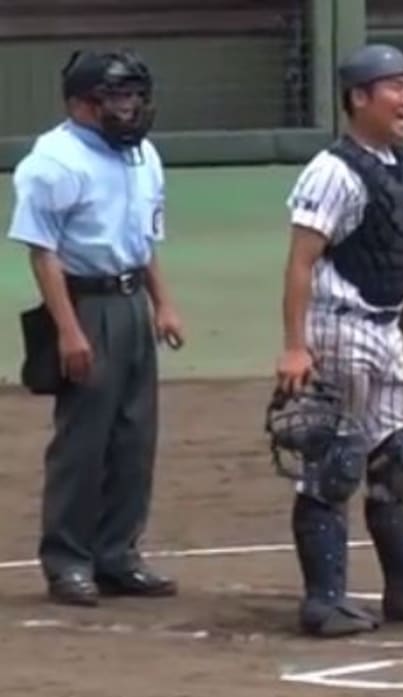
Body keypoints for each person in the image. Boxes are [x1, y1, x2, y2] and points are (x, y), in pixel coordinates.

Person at [271, 43, 403, 638]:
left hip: (385, 329)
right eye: (394, 88)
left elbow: (398, 228)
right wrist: (294, 346)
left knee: (399, 459)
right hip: (337, 327)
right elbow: (300, 262)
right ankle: (324, 601)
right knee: (334, 463)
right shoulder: (333, 171)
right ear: (360, 98)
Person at [6, 49, 185, 607]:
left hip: (132, 302)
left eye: (134, 96)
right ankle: (67, 562)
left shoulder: (142, 155)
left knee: (135, 437)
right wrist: (68, 331)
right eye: (116, 98)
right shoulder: (54, 161)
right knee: (83, 442)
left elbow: (145, 240)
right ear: (82, 103)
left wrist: (164, 304)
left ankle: (118, 555)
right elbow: (43, 253)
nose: (129, 108)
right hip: (85, 305)